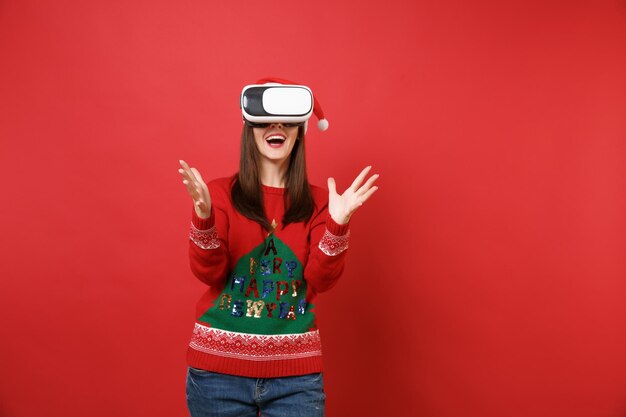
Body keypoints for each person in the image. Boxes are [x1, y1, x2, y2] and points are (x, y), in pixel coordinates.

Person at [178, 78, 379, 417]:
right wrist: (203, 217)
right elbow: (208, 273)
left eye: (287, 121)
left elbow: (320, 280)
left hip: (296, 378)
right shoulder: (219, 194)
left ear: (300, 131)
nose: (276, 127)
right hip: (217, 375)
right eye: (266, 120)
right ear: (249, 128)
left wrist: (337, 223)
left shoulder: (319, 203)